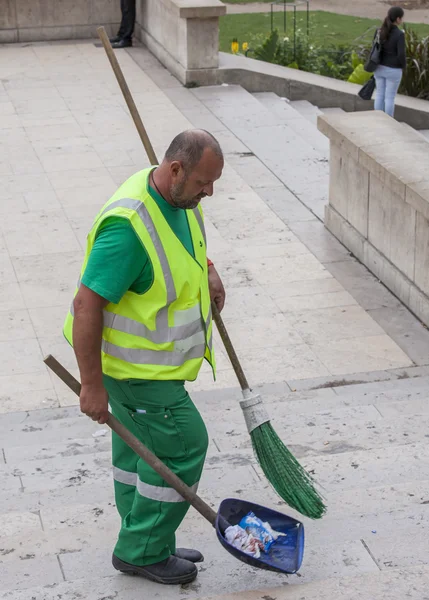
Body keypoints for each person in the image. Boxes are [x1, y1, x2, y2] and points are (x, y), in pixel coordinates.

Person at [63, 130, 226, 585]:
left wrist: (209, 271)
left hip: (150, 367)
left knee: (138, 451)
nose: (208, 192)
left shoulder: (175, 197)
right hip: (136, 372)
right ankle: (142, 550)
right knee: (184, 444)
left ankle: (147, 537)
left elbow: (184, 244)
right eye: (203, 183)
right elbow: (86, 304)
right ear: (175, 170)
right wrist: (90, 384)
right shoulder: (127, 229)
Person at [374, 6, 406, 118]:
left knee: (379, 95)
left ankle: (377, 119)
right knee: (389, 98)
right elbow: (401, 54)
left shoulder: (379, 31)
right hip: (393, 70)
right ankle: (389, 123)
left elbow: (375, 48)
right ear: (398, 19)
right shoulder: (400, 34)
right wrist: (403, 66)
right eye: (401, 18)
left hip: (378, 68)